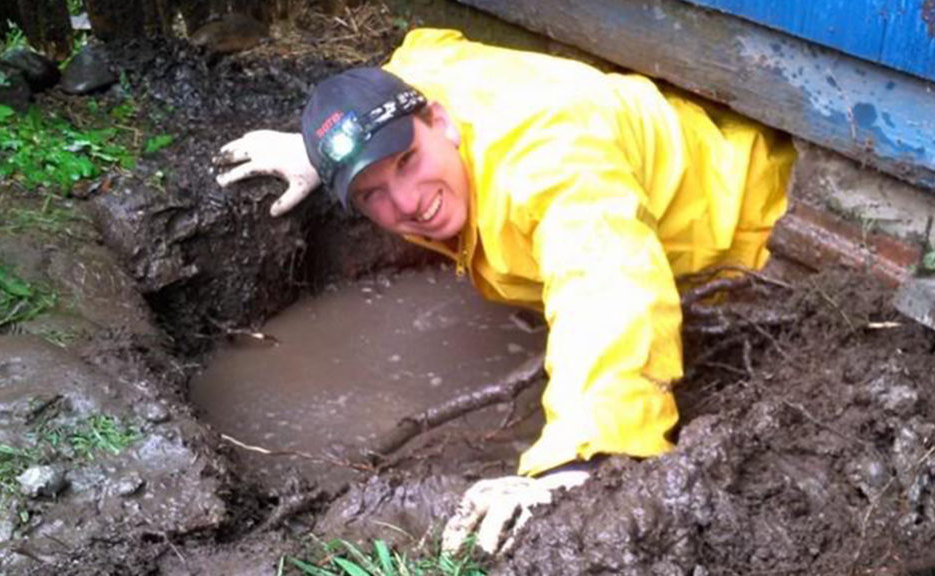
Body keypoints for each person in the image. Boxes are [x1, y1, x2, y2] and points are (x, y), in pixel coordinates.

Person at [215, 28, 795, 554]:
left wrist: (575, 457)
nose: (408, 201)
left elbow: (607, 280)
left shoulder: (548, 162)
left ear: (441, 122)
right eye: (372, 195)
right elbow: (418, 60)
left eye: (407, 161)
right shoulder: (421, 81)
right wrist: (325, 156)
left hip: (752, 240)